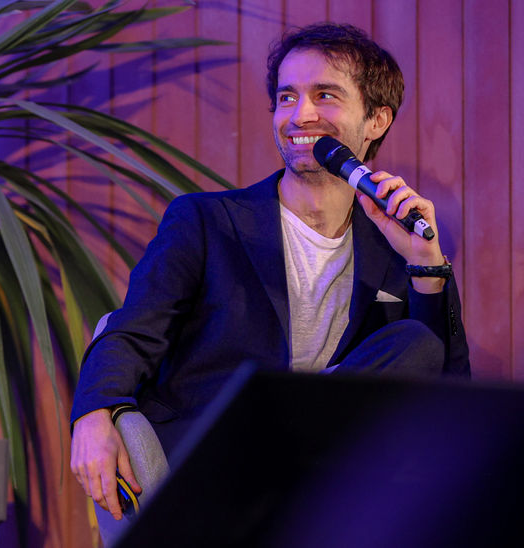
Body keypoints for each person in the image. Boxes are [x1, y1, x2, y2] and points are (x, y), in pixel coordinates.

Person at [70, 22, 470, 521]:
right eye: (286, 97)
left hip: (322, 483)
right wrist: (92, 413)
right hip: (217, 458)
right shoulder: (207, 221)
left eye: (325, 95)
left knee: (417, 342)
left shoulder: (392, 245)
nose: (300, 115)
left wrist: (426, 264)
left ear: (376, 120)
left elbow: (447, 392)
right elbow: (133, 330)